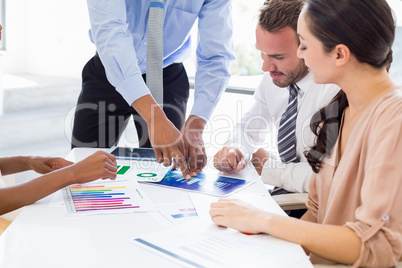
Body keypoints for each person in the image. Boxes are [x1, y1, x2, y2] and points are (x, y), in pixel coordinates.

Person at [210, 0, 402, 266]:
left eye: (304, 45)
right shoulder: (337, 111)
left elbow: (378, 247)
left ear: (339, 54)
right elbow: (316, 213)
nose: (300, 55)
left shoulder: (394, 122)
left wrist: (264, 220)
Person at [71, 1, 235, 180]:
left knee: (168, 171)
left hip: (168, 75)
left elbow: (217, 55)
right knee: (83, 167)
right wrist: (154, 117)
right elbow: (110, 35)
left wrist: (196, 126)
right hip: (110, 68)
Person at [213, 0, 339, 194]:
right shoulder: (275, 78)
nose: (266, 67)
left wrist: (269, 168)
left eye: (278, 57)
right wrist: (235, 149)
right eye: (263, 54)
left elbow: (332, 177)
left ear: (307, 47)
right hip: (288, 194)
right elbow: (249, 128)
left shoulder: (333, 90)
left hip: (320, 205)